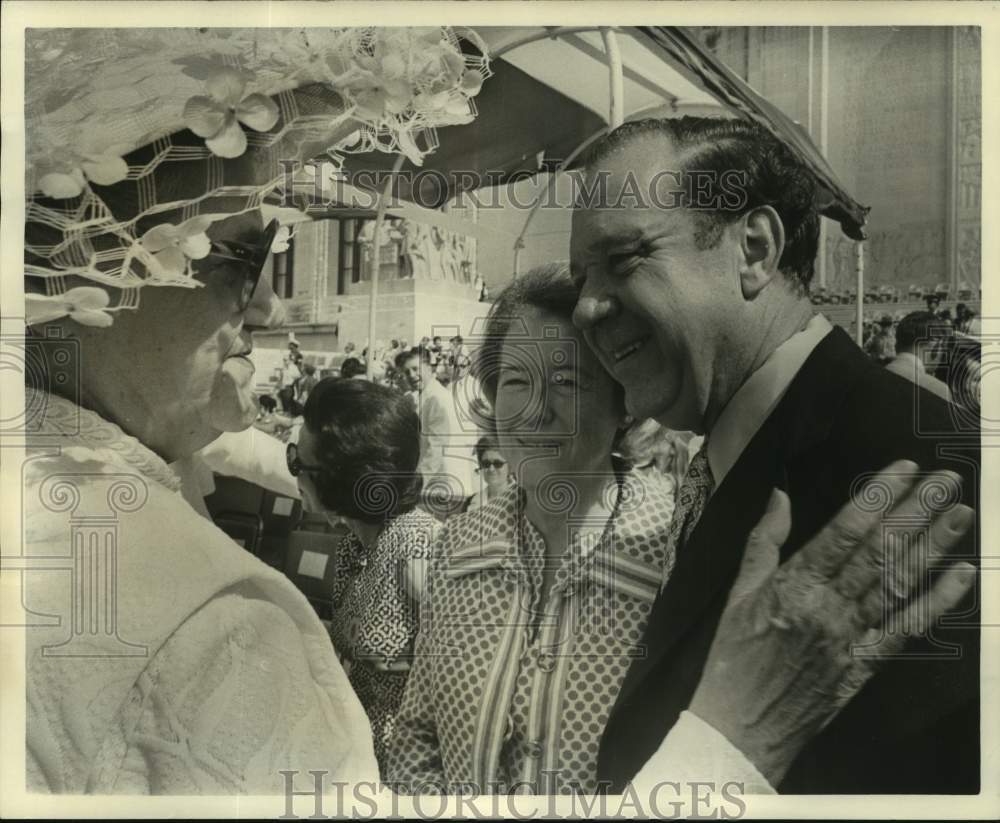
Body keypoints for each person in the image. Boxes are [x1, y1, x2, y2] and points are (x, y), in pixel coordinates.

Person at [386, 263, 974, 795]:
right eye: (515, 381)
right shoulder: (458, 544)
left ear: (624, 404)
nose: (535, 409)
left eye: (568, 382)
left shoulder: (683, 545)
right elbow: (417, 729)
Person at [569, 116, 980, 793]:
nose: (585, 307)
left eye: (623, 260)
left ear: (754, 249)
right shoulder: (737, 451)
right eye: (582, 277)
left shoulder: (924, 475)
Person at [289, 377, 441, 773]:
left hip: (412, 771)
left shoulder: (415, 544)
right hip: (363, 756)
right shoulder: (353, 546)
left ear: (341, 479)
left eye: (298, 463)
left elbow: (472, 670)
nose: (294, 476)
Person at [399, 346, 476, 513]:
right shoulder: (427, 396)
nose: (411, 375)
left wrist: (416, 484)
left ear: (428, 367)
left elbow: (436, 447)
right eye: (407, 372)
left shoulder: (436, 398)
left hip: (445, 484)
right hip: (439, 484)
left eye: (415, 368)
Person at [885, 311, 952, 401]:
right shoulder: (938, 390)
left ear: (896, 345)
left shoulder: (869, 380)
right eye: (943, 347)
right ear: (936, 347)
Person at [462, 433, 510, 511]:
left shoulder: (520, 502)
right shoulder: (470, 502)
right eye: (486, 464)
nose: (491, 469)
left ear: (510, 466)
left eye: (497, 463)